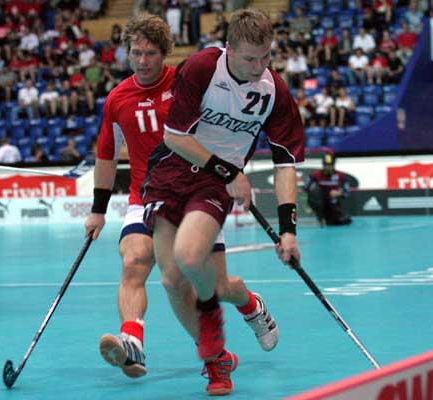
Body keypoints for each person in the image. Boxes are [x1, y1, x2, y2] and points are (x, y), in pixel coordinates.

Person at [84, 13, 279, 396]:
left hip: (197, 193)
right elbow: (106, 157)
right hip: (145, 197)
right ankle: (138, 342)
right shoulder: (117, 99)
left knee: (217, 285)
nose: (143, 61)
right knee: (135, 262)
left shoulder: (190, 81)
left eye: (151, 53)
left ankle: (250, 304)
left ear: (166, 53)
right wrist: (98, 209)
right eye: (136, 53)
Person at [140, 7, 304, 394]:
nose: (259, 67)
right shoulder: (202, 68)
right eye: (250, 59)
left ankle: (211, 322)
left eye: (266, 57)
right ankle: (227, 341)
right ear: (229, 48)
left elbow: (285, 164)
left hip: (212, 184)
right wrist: (231, 172)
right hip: (171, 172)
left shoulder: (274, 91)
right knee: (172, 280)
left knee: (190, 257)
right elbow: (174, 137)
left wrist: (289, 231)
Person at [304, 153, 352, 226]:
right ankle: (320, 217)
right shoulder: (315, 175)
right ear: (323, 165)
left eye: (330, 165)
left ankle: (330, 218)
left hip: (333, 203)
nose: (328, 167)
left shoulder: (341, 176)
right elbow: (305, 187)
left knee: (343, 221)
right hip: (320, 202)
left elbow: (347, 191)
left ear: (333, 165)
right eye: (326, 165)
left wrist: (339, 192)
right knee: (315, 191)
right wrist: (312, 188)